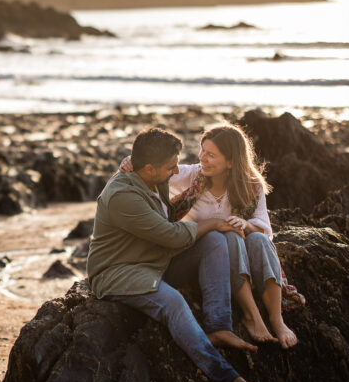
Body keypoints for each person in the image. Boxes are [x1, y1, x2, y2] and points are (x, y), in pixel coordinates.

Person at [88, 127, 260, 382]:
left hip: (155, 261)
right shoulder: (123, 196)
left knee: (215, 241)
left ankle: (219, 325)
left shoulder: (153, 179)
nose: (176, 170)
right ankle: (227, 377)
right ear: (148, 168)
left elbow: (174, 233)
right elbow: (170, 236)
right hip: (120, 272)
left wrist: (217, 228)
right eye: (171, 166)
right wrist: (214, 221)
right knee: (174, 302)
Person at [124, 124, 300, 349]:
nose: (202, 158)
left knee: (258, 239)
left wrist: (245, 224)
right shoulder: (193, 176)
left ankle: (277, 320)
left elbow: (265, 229)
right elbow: (156, 170)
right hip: (209, 258)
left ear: (231, 162)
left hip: (243, 259)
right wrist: (130, 162)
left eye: (211, 155)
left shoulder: (252, 187)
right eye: (202, 151)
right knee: (230, 237)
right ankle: (252, 316)